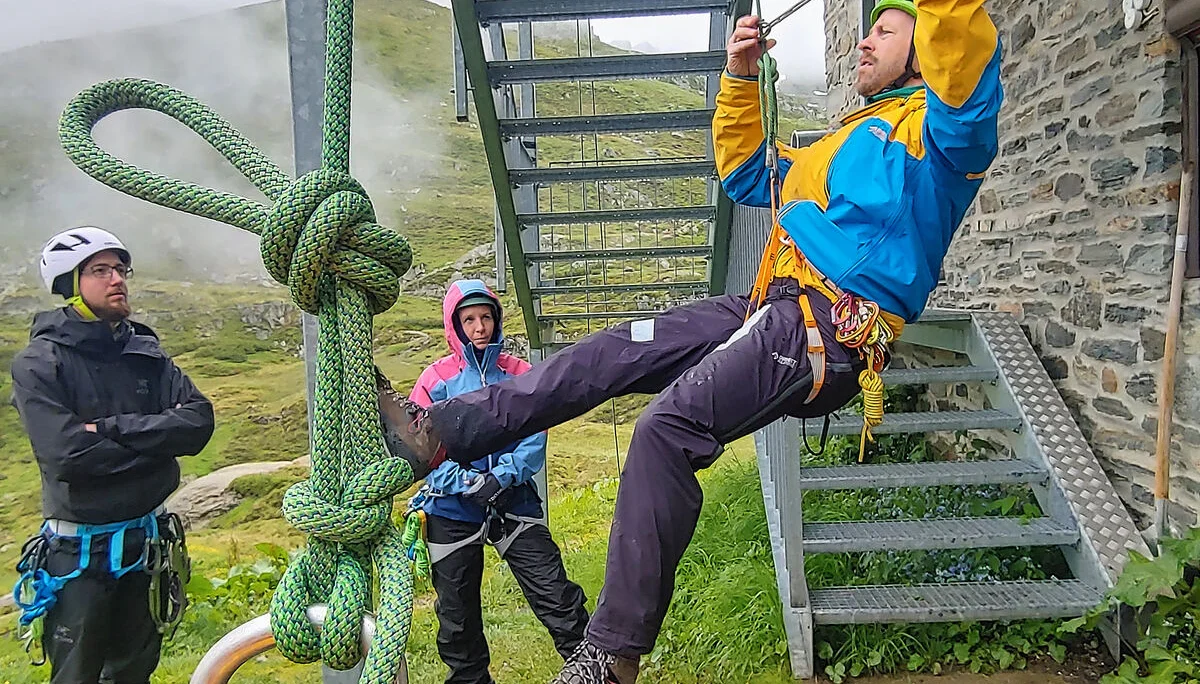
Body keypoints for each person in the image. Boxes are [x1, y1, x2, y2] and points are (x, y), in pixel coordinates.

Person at [376, 1, 1001, 681]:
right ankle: (438, 434)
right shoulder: (837, 143)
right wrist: (737, 75)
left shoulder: (942, 138)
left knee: (663, 430)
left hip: (826, 328)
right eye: (866, 28)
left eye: (884, 29)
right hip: (773, 306)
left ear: (927, 47)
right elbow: (741, 175)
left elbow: (963, 63)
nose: (862, 43)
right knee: (610, 353)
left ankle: (611, 657)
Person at [9, 226, 215, 684]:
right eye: (100, 270)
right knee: (76, 675)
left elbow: (198, 424)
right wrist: (158, 450)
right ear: (69, 283)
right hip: (77, 556)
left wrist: (107, 430)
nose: (117, 279)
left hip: (146, 545)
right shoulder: (40, 364)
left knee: (134, 672)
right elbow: (67, 457)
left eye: (120, 269)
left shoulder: (145, 351)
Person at [383, 279, 589, 684]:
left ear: (497, 320)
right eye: (470, 320)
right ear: (455, 326)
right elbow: (420, 451)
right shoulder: (434, 380)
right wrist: (466, 482)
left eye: (486, 317)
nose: (480, 327)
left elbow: (537, 434)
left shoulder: (520, 373)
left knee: (556, 594)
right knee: (457, 619)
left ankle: (594, 670)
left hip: (513, 501)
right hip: (450, 507)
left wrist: (500, 477)